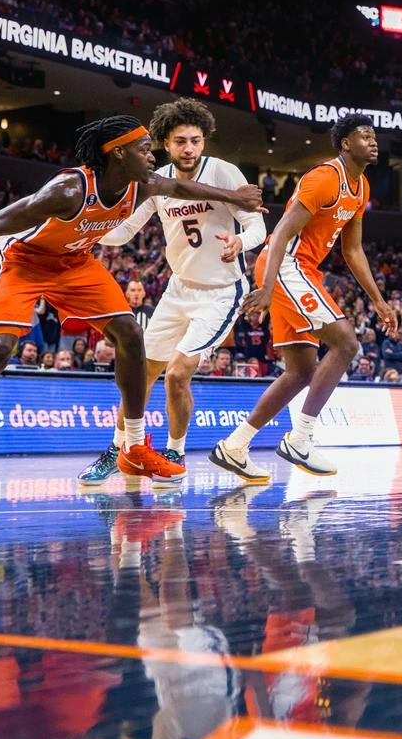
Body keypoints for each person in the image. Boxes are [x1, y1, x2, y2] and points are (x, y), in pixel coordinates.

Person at [0, 116, 259, 503]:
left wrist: (236, 199)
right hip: (24, 263)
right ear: (118, 153)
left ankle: (133, 447)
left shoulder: (143, 184)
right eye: (144, 149)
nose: (152, 156)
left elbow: (182, 187)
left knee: (131, 334)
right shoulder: (68, 189)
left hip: (75, 264)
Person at [83, 99, 265, 487]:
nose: (189, 148)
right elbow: (124, 231)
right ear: (165, 143)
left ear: (204, 141)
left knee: (178, 374)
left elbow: (257, 226)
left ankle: (174, 452)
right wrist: (88, 228)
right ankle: (118, 448)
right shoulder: (156, 180)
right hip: (178, 288)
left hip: (220, 292)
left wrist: (241, 241)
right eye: (180, 141)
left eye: (195, 140)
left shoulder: (223, 172)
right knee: (140, 373)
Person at [222, 116, 393, 481]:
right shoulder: (325, 178)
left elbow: (353, 250)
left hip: (302, 271)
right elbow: (282, 231)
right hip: (285, 265)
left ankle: (235, 445)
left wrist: (378, 300)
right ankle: (300, 438)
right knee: (346, 343)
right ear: (345, 143)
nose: (373, 141)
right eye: (364, 136)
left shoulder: (361, 187)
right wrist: (268, 287)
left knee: (301, 371)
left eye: (374, 136)